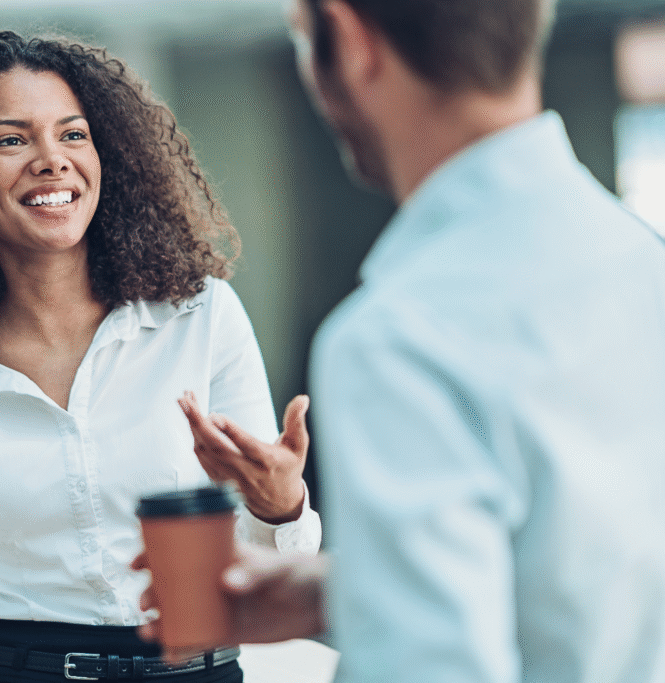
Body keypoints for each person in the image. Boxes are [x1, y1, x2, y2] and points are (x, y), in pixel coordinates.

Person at [137, 0, 665, 681]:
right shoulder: (643, 262)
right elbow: (594, 571)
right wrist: (350, 592)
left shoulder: (397, 338)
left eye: (305, 42)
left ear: (351, 39)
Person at [0, 30, 322, 683]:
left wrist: (281, 504)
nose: (51, 160)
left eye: (73, 134)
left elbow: (269, 568)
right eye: (11, 140)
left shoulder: (200, 315)